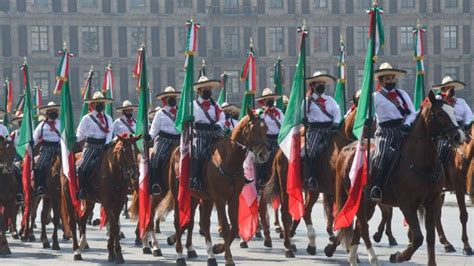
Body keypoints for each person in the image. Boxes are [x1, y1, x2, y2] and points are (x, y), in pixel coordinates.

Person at [369, 63, 416, 202]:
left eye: (392, 78)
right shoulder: (375, 97)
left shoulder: (403, 94)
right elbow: (369, 115)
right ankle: (376, 186)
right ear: (381, 81)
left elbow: (412, 113)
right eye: (387, 79)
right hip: (385, 132)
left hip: (403, 129)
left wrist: (407, 124)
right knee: (381, 155)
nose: (391, 81)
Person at [303, 71, 341, 190]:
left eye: (323, 83)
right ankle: (312, 177)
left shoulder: (330, 100)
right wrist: (304, 118)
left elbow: (337, 112)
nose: (321, 85)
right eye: (319, 83)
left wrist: (336, 123)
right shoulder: (307, 101)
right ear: (313, 85)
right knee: (312, 152)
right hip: (315, 130)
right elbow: (302, 114)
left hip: (330, 130)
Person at [76, 92, 114, 200]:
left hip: (104, 146)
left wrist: (107, 143)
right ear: (93, 104)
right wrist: (72, 139)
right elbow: (80, 134)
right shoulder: (86, 118)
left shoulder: (108, 118)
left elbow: (109, 132)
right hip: (90, 147)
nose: (100, 105)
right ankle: (82, 189)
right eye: (97, 103)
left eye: (101, 103)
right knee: (83, 166)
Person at [190, 76, 225, 191]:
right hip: (199, 134)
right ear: (199, 91)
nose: (207, 91)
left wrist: (218, 125)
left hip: (213, 133)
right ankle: (196, 178)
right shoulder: (193, 105)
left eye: (209, 89)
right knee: (198, 153)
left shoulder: (215, 106)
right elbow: (188, 121)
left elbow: (222, 118)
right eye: (205, 89)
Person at [433, 76, 473, 169]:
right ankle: (439, 170)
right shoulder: (439, 101)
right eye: (449, 87)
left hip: (461, 129)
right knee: (440, 149)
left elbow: (469, 115)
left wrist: (467, 124)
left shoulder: (461, 102)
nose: (451, 90)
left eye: (453, 88)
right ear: (443, 89)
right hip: (445, 131)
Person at [148, 86, 181, 195]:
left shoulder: (180, 112)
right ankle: (155, 183)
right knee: (155, 158)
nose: (172, 99)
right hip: (164, 140)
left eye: (173, 97)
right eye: (169, 97)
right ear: (165, 99)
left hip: (178, 140)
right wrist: (149, 137)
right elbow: (154, 129)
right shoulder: (160, 113)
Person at [255, 88, 284, 189]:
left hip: (278, 139)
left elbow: (283, 124)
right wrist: (265, 112)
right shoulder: (260, 112)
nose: (270, 100)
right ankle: (261, 180)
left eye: (271, 98)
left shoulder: (279, 112)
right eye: (267, 99)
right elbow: (257, 120)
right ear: (264, 101)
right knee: (261, 159)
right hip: (265, 140)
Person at [33, 102, 61, 197]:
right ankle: (40, 186)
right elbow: (35, 137)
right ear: (47, 113)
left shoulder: (61, 124)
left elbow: (64, 137)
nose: (53, 112)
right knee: (39, 165)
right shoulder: (41, 125)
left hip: (58, 148)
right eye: (51, 111)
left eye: (55, 111)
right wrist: (31, 144)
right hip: (46, 148)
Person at [10, 114, 24, 203]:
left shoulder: (31, 133)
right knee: (16, 171)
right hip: (16, 157)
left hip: (28, 156)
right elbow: (9, 145)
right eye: (20, 122)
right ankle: (19, 193)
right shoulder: (14, 134)